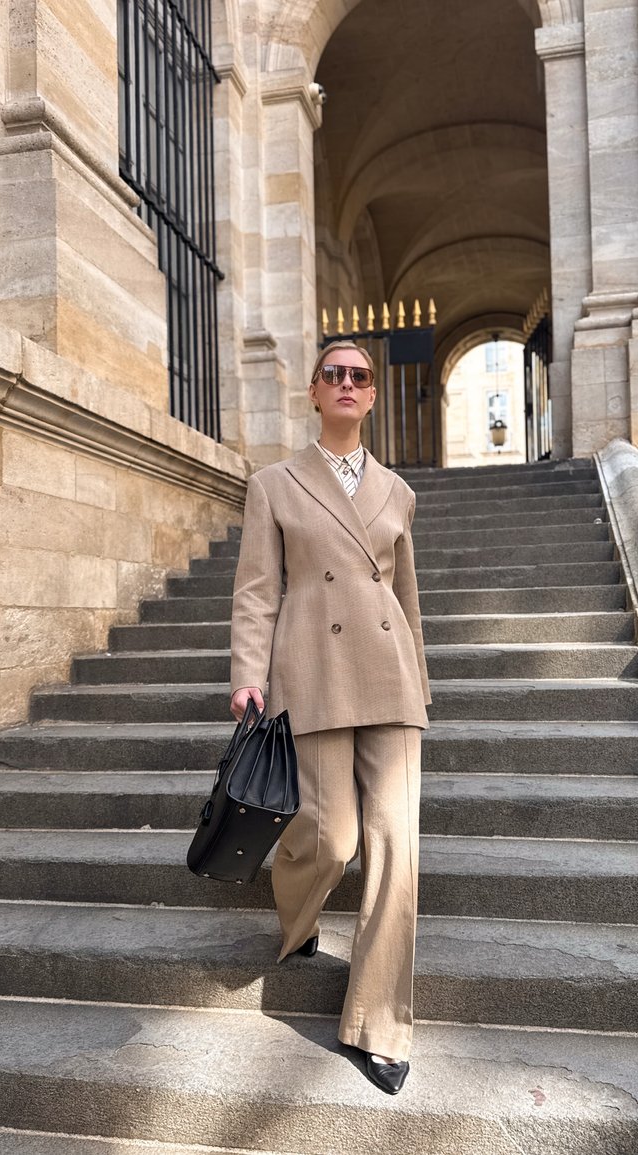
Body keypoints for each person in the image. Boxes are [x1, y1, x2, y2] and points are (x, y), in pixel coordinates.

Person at [229, 339, 431, 1095]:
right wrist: (249, 675)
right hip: (311, 670)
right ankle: (299, 914)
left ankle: (378, 1022)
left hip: (389, 676)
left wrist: (422, 682)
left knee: (394, 845)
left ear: (371, 397)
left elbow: (405, 601)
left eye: (360, 376)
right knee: (330, 833)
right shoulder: (274, 484)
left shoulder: (398, 492)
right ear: (314, 393)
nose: (347, 383)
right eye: (334, 374)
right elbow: (256, 589)